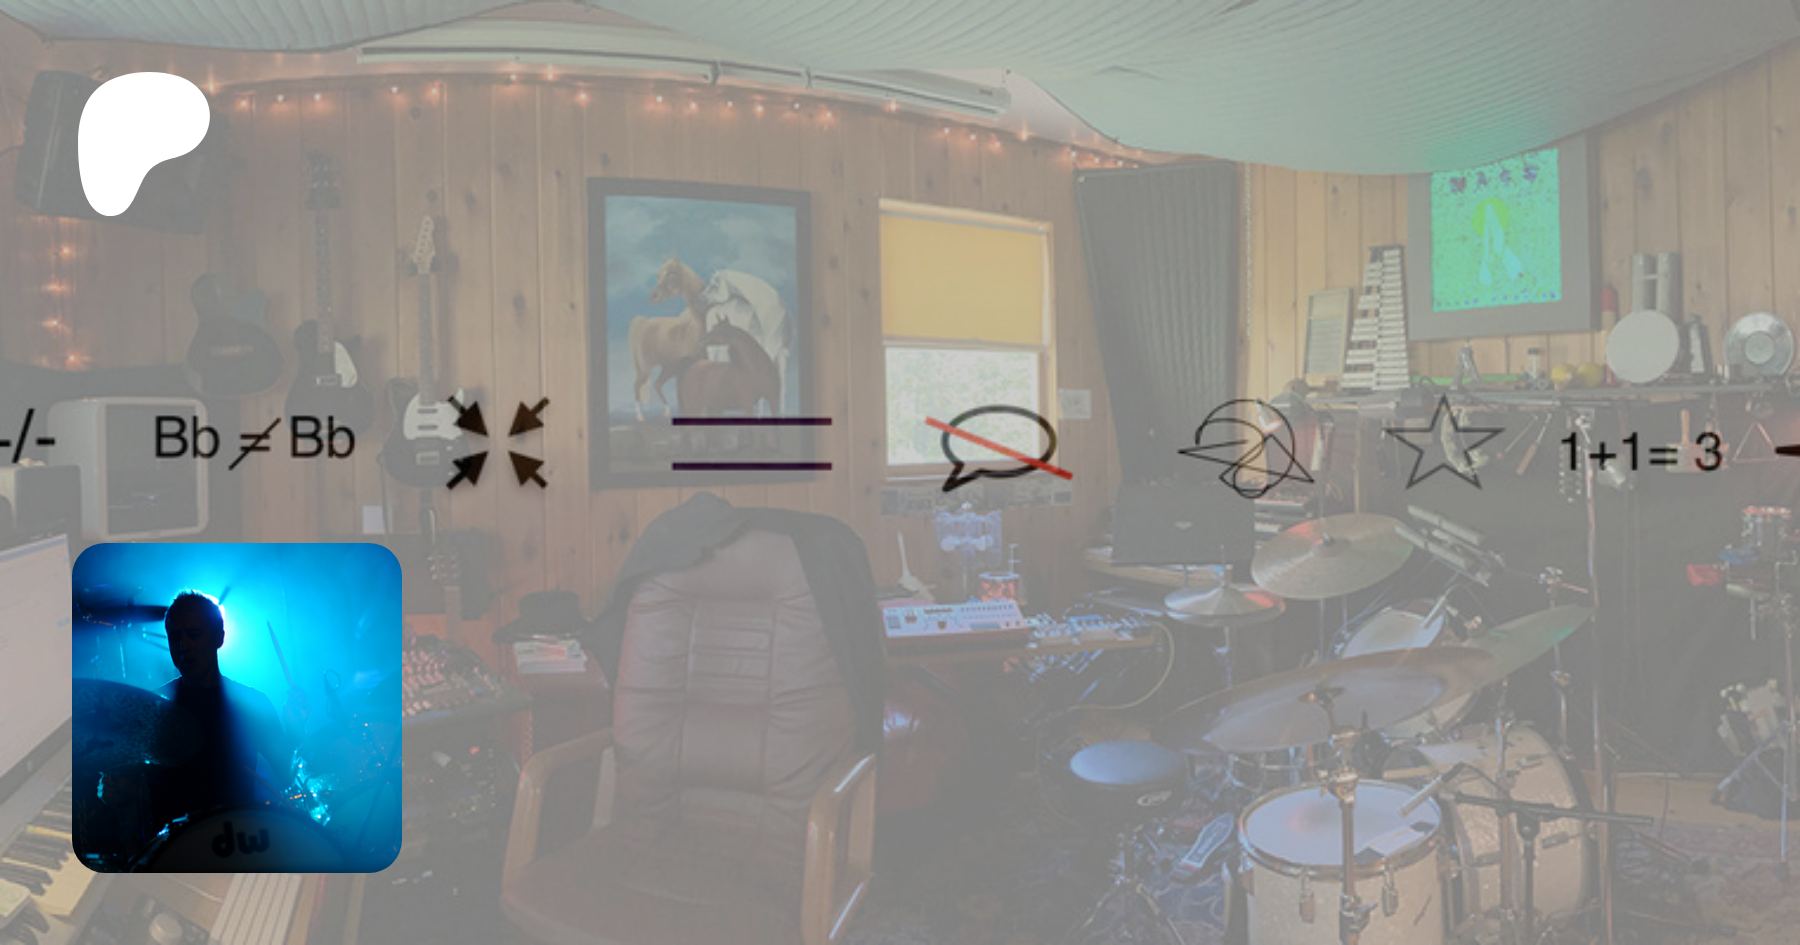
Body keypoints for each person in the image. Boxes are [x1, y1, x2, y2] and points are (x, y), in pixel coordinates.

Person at [100, 592, 295, 852]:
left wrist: (295, 728)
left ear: (219, 638)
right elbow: (127, 790)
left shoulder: (252, 703)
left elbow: (288, 774)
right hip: (173, 850)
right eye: (175, 637)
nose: (184, 646)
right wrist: (114, 790)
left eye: (194, 634)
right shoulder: (150, 708)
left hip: (238, 843)